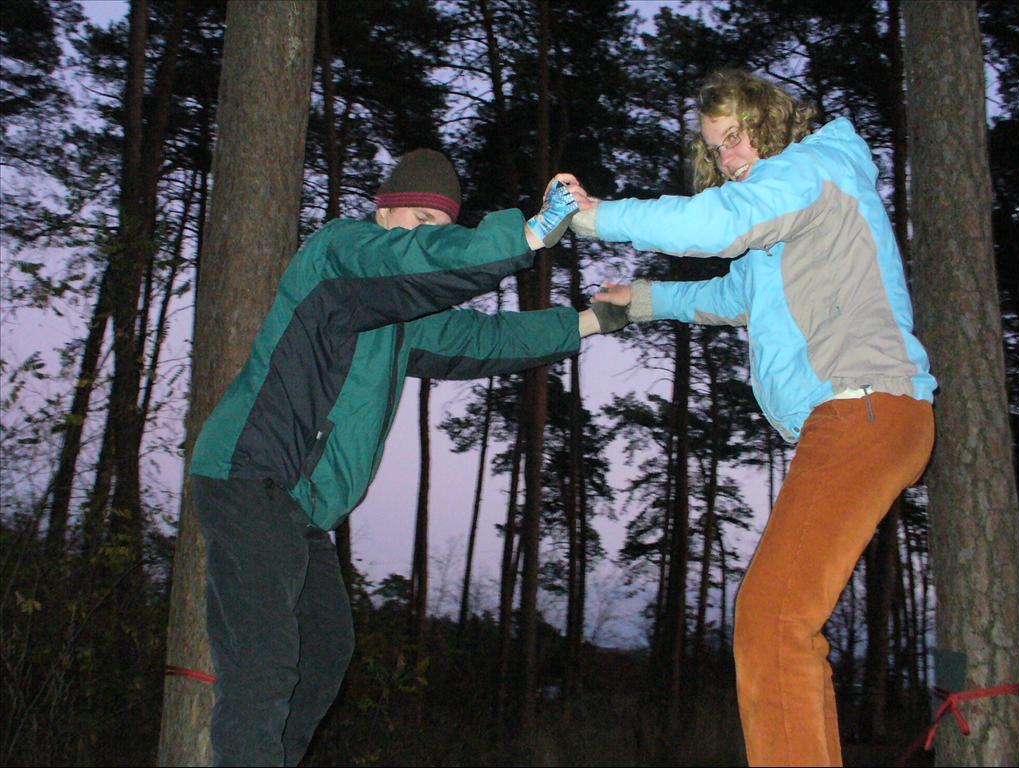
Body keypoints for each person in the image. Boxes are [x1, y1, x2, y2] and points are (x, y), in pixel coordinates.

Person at [189, 148, 627, 766]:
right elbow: (410, 261)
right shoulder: (338, 255)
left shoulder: (401, 318)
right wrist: (527, 234)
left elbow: (484, 338)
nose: (428, 238)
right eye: (420, 220)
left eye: (441, 227)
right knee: (263, 662)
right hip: (250, 475)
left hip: (298, 506)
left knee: (323, 652)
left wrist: (590, 321)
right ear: (383, 212)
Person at [570, 70, 936, 767]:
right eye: (716, 148)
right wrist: (642, 301)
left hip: (864, 409)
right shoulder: (788, 220)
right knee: (781, 623)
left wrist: (593, 215)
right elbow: (734, 294)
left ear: (770, 120)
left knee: (771, 622)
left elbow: (717, 226)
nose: (728, 157)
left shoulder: (811, 169)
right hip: (860, 418)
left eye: (736, 137)